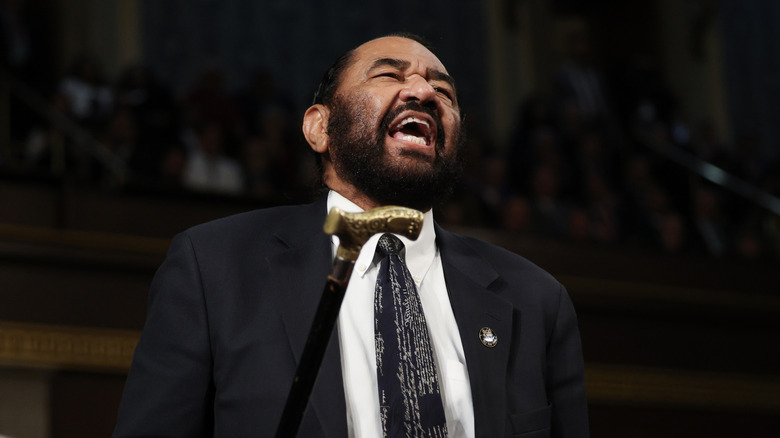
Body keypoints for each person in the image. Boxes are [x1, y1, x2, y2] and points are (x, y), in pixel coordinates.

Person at [113, 34, 589, 437]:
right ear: (319, 127)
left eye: (444, 89)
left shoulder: (537, 301)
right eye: (389, 75)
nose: (424, 90)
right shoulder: (213, 267)